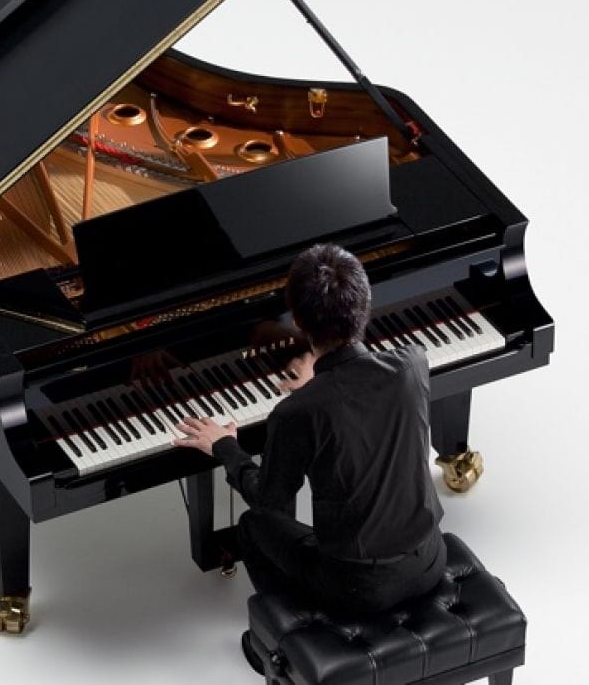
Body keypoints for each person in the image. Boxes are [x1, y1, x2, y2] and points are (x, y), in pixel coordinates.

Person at [171, 243, 446, 675]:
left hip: (356, 589)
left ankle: (284, 638)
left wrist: (224, 445)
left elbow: (271, 503)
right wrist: (318, 383)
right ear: (366, 306)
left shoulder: (298, 412)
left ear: (297, 322)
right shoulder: (413, 364)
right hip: (430, 561)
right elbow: (358, 389)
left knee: (252, 526)